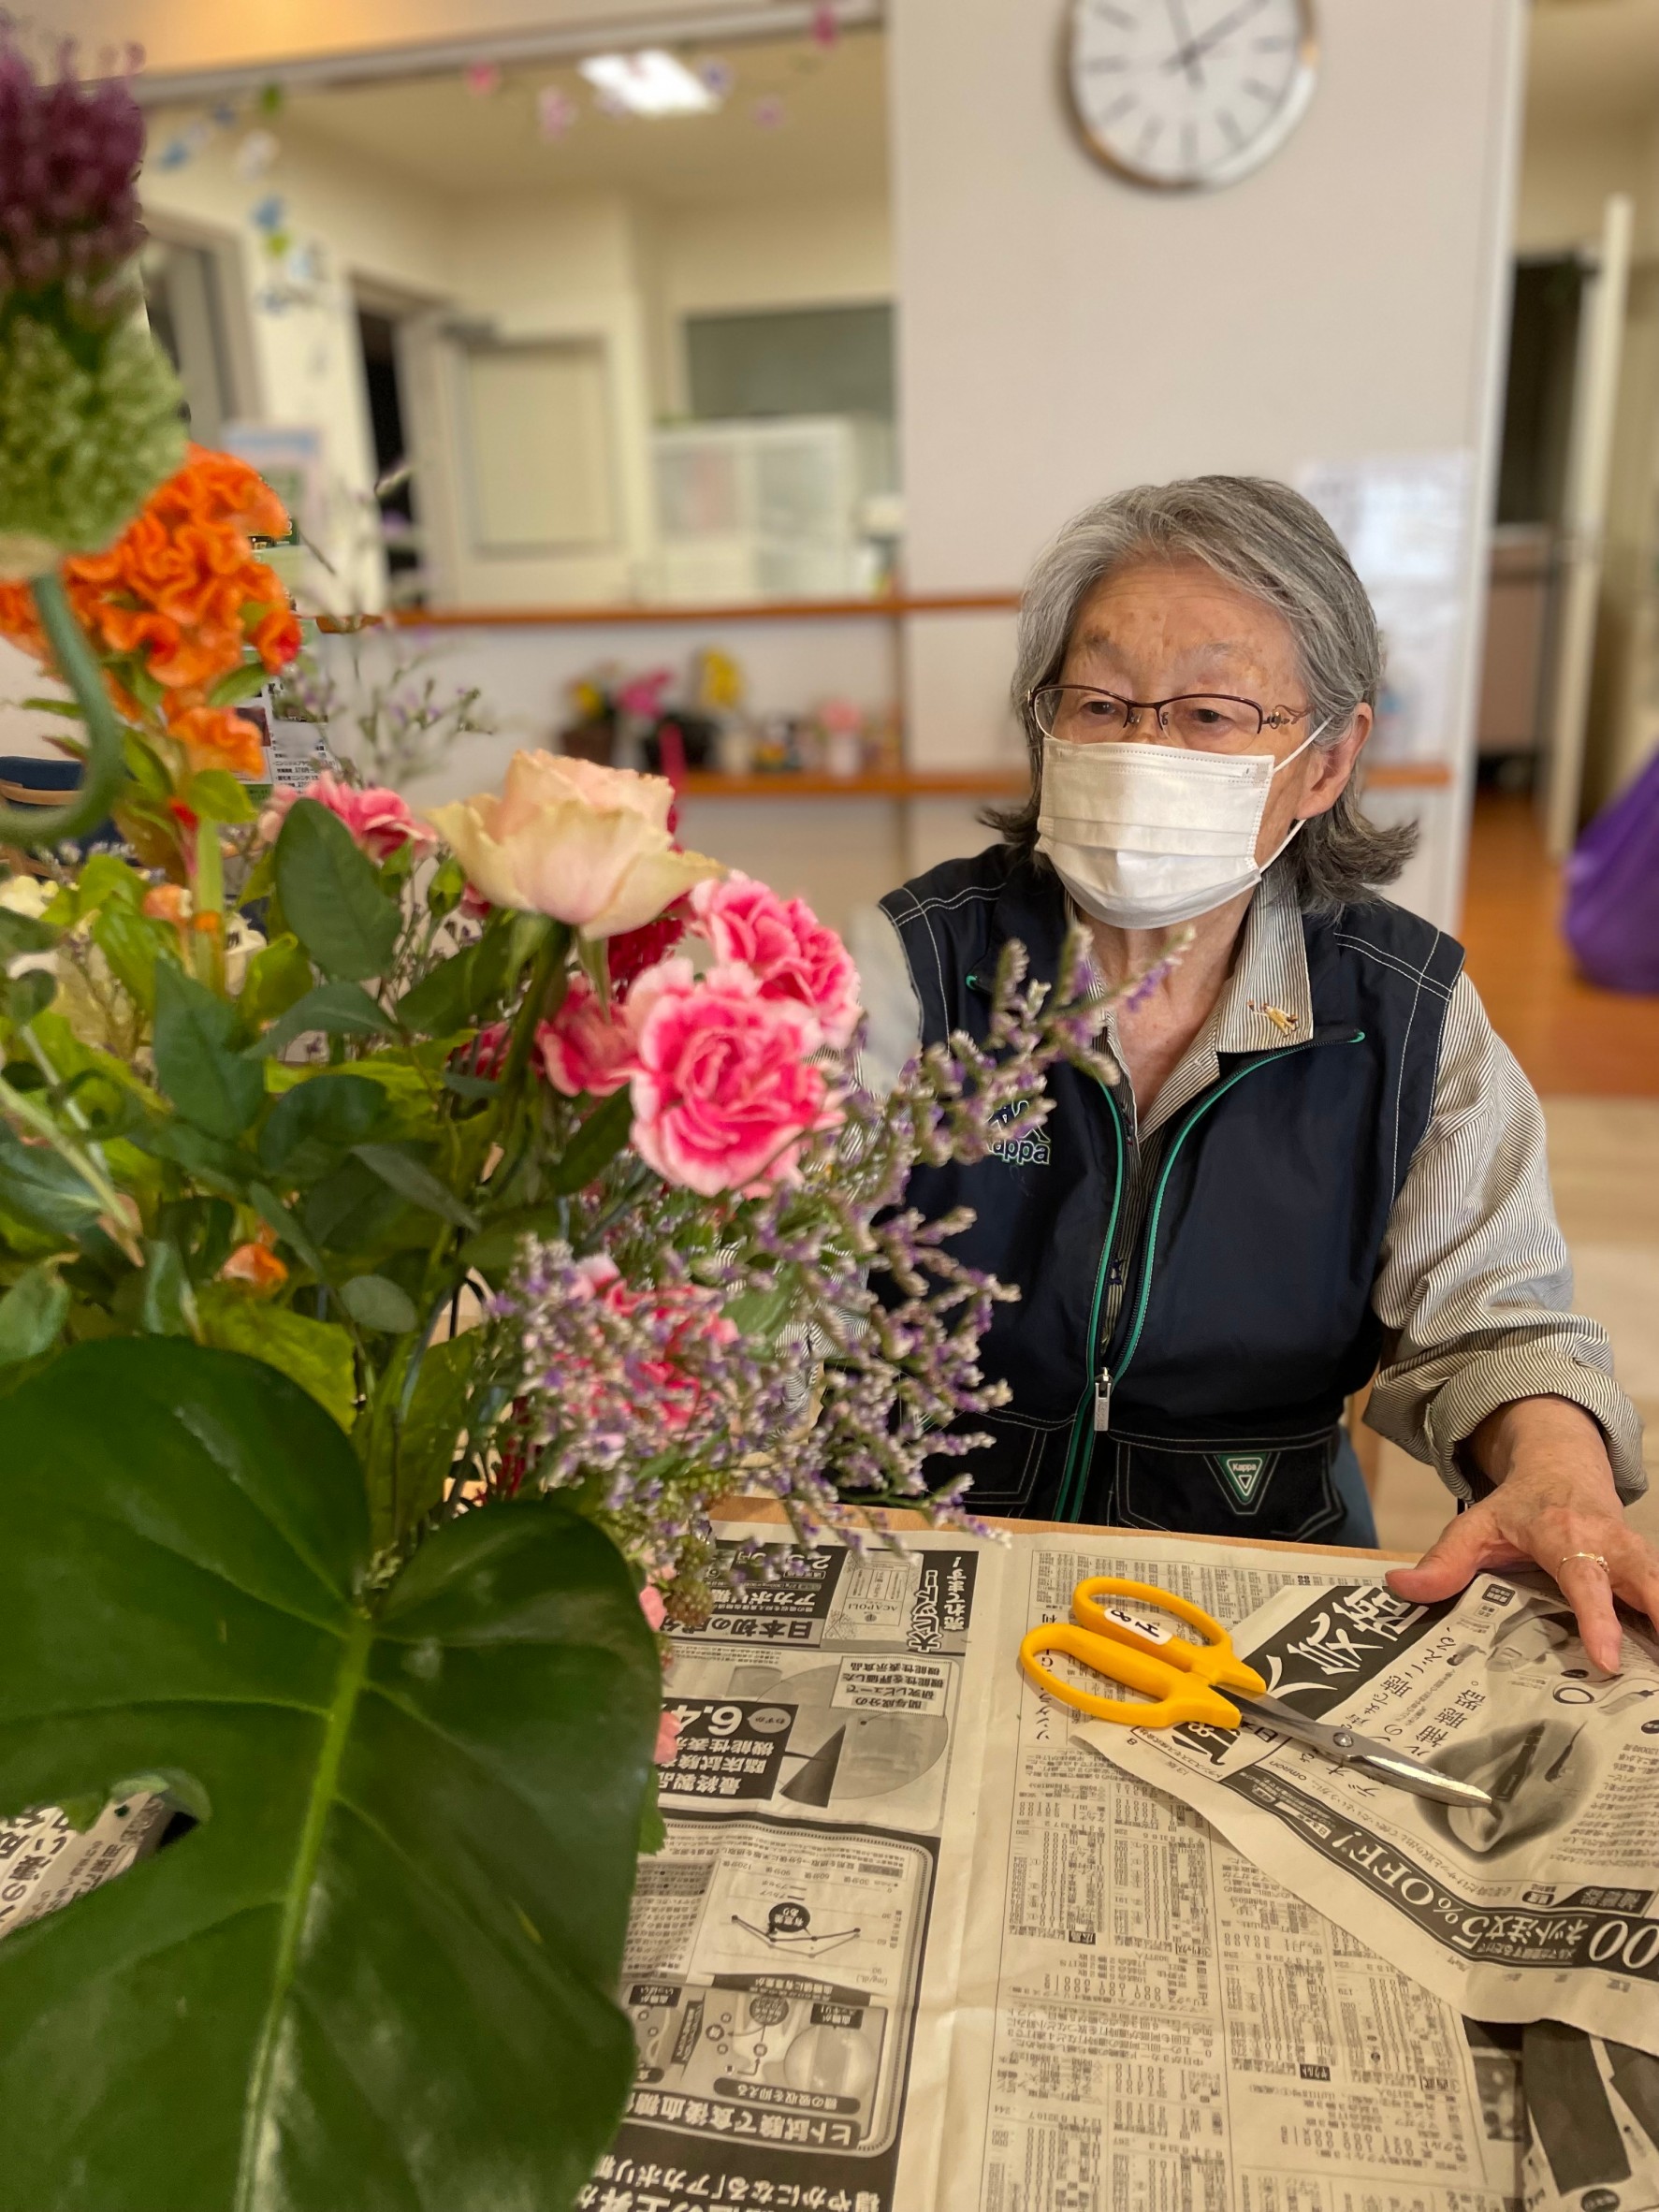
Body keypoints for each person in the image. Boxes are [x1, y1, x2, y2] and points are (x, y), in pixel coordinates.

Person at [855, 476, 1657, 1672]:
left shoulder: (1403, 1014)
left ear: (1326, 763)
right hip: (926, 1548)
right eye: (1100, 703)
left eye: (1211, 714)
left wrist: (1555, 1470)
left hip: (1251, 1566)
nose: (1141, 749)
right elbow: (771, 1272)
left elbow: (1497, 1324)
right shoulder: (916, 963)